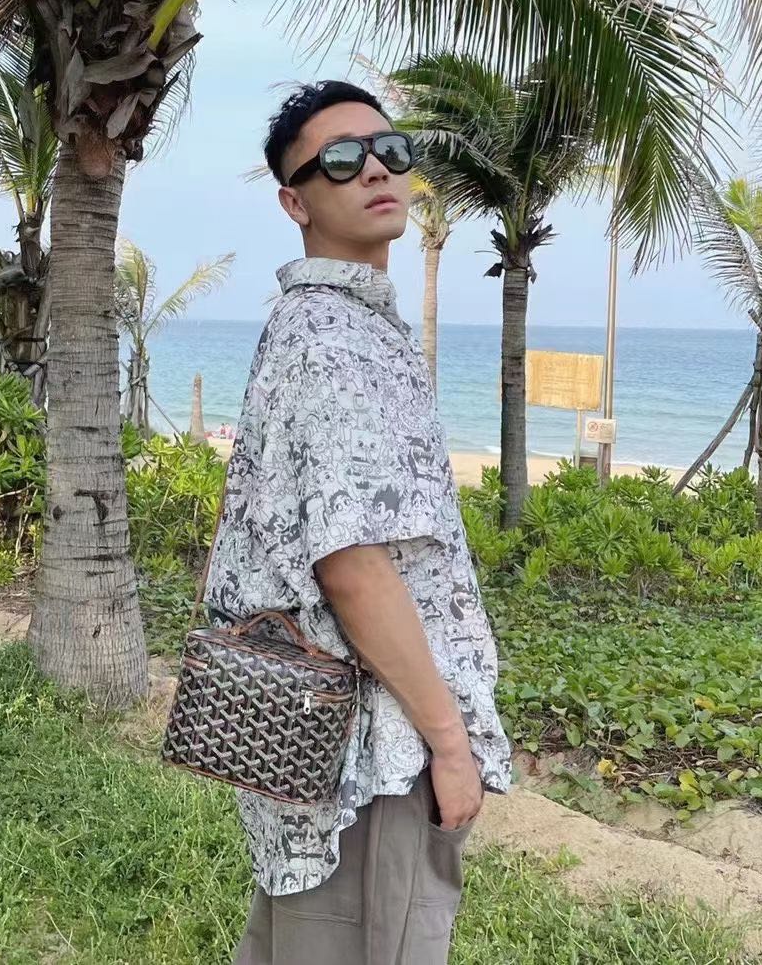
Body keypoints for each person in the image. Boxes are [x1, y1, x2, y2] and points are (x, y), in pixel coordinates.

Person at [203, 80, 511, 964]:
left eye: (389, 150)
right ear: (295, 202)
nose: (375, 169)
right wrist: (449, 744)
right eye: (339, 161)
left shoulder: (330, 325)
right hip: (372, 748)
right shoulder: (332, 339)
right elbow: (352, 564)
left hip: (324, 740)